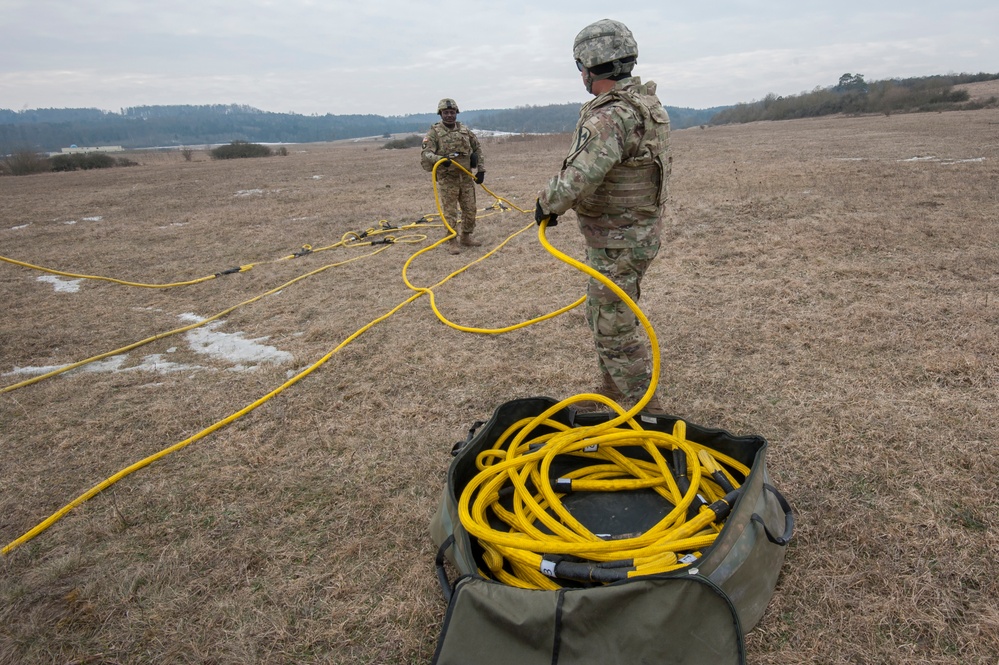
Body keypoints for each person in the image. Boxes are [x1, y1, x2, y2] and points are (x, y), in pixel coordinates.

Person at [535, 18, 671, 414]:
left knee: (613, 325)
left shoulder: (610, 116)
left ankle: (646, 409)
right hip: (633, 233)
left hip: (620, 239)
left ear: (589, 66)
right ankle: (611, 388)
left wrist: (548, 203)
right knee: (606, 312)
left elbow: (579, 176)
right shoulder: (645, 103)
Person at [420, 98, 487, 254]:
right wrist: (441, 160)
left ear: (456, 113)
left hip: (466, 177)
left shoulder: (464, 131)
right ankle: (452, 241)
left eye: (452, 112)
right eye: (446, 113)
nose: (449, 115)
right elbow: (426, 153)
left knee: (470, 209)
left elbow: (477, 148)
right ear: (441, 114)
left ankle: (466, 236)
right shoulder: (434, 133)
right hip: (447, 178)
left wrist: (481, 170)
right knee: (450, 212)